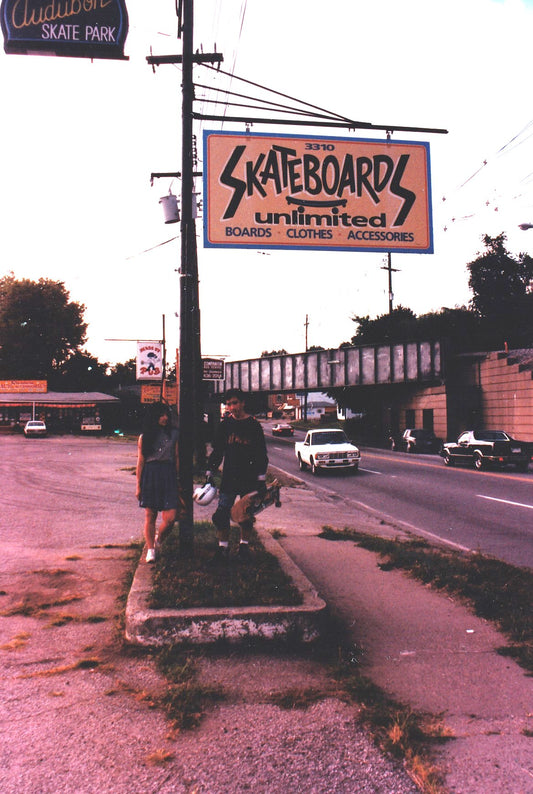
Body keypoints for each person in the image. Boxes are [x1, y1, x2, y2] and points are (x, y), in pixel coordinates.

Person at [206, 389, 268, 562]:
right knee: (221, 514)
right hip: (229, 477)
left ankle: (244, 547)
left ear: (242, 403)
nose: (231, 407)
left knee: (246, 515)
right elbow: (218, 450)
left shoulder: (254, 426)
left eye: (234, 403)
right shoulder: (225, 425)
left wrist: (261, 479)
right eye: (228, 404)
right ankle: (223, 548)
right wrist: (210, 471)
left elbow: (261, 454)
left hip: (249, 478)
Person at [136, 402, 179, 563]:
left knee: (170, 518)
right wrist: (138, 485)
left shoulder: (174, 434)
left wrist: (177, 478)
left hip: (168, 473)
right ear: (154, 417)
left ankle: (158, 540)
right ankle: (151, 550)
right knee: (150, 515)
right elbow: (140, 462)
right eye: (161, 415)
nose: (165, 418)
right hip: (151, 474)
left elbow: (176, 457)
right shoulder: (144, 437)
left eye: (167, 414)